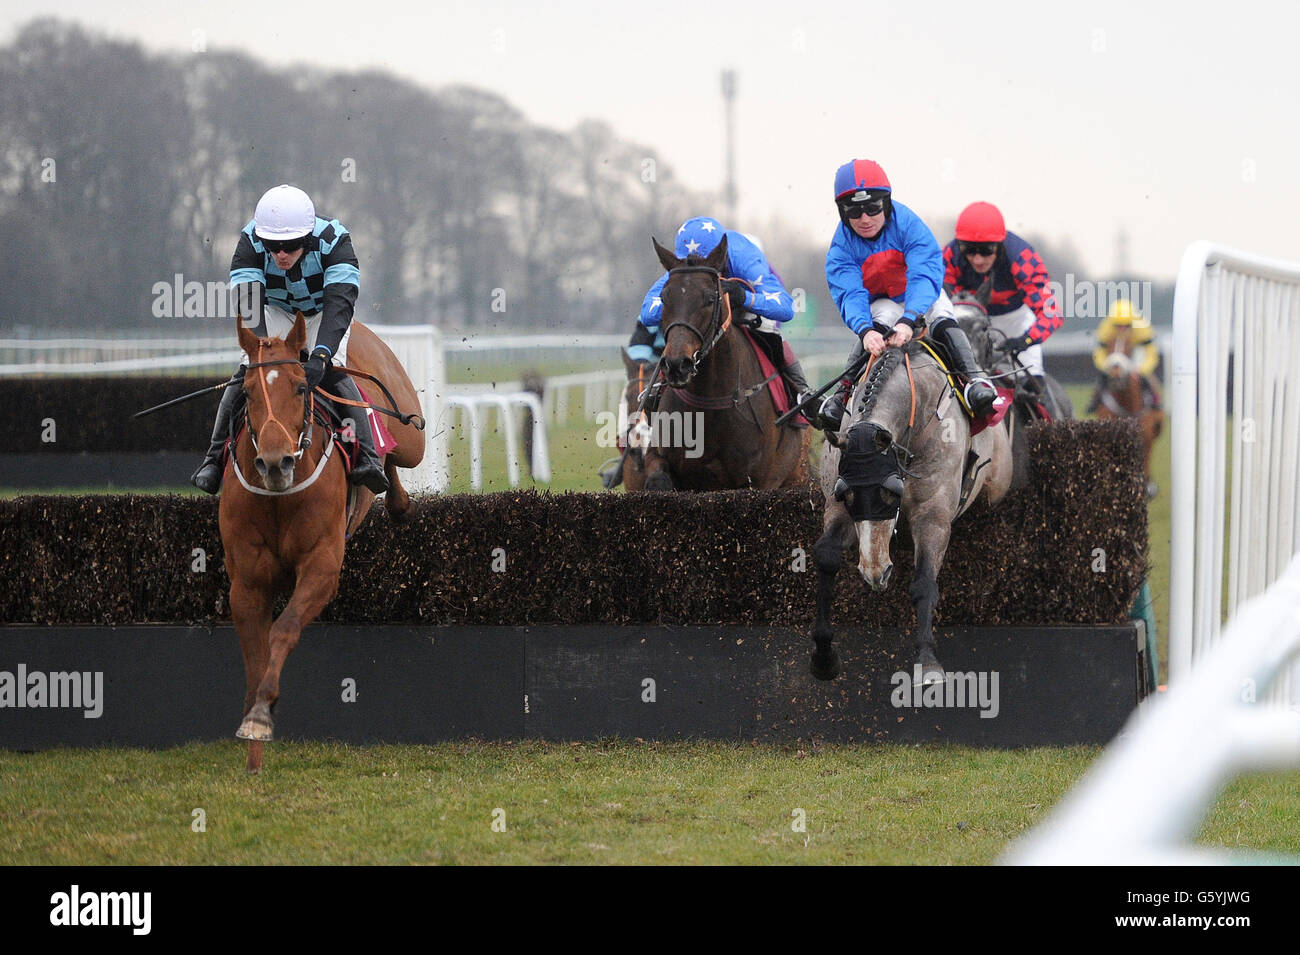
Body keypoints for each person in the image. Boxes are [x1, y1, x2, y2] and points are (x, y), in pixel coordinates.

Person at [190, 184, 389, 495]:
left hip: (323, 311)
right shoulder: (249, 241)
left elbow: (340, 305)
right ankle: (213, 459)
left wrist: (321, 355)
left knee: (333, 371)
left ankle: (368, 457)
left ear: (307, 239)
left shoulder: (334, 240)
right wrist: (260, 352)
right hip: (276, 310)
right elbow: (248, 302)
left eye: (290, 246)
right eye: (273, 246)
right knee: (246, 371)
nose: (280, 254)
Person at [819, 160, 996, 432]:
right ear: (842, 212)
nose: (864, 218)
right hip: (883, 300)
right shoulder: (841, 245)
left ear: (886, 203)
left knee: (942, 316)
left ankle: (973, 381)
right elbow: (849, 293)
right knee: (877, 325)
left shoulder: (909, 224)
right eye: (853, 211)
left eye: (872, 208)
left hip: (921, 294)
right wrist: (865, 331)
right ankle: (842, 394)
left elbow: (924, 275)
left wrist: (909, 319)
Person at [629, 215, 812, 414]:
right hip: (706, 308)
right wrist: (682, 300)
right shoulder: (684, 262)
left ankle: (803, 395)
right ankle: (658, 391)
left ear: (720, 255)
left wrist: (744, 298)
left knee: (769, 331)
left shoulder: (743, 255)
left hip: (746, 302)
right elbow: (648, 314)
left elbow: (785, 308)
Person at [941, 201, 1063, 396]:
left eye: (986, 250)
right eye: (969, 250)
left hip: (1016, 323)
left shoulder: (1021, 257)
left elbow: (1052, 313)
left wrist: (1026, 339)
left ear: (999, 245)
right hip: (968, 325)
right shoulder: (950, 255)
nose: (978, 259)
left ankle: (1045, 421)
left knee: (1035, 391)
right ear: (960, 245)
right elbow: (939, 302)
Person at [1086, 298, 1161, 413]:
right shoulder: (1106, 327)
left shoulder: (1143, 328)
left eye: (1126, 326)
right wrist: (1105, 367)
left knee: (1149, 379)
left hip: (1136, 354)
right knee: (1101, 380)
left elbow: (1151, 353)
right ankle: (1095, 401)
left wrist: (1143, 370)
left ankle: (1156, 402)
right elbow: (1099, 352)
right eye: (1118, 326)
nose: (1122, 329)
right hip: (1113, 356)